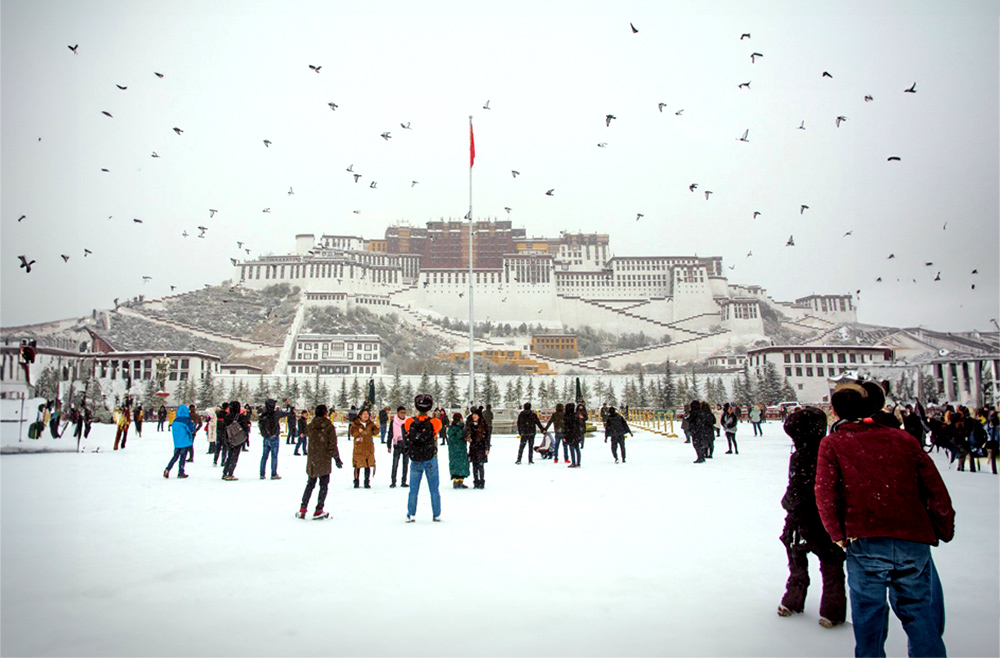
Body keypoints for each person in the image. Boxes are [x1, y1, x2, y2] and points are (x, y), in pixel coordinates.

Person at [815, 381, 955, 658]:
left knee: (869, 619)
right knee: (919, 614)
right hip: (911, 537)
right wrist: (943, 528)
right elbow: (936, 490)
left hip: (865, 537)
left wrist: (837, 534)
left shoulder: (834, 444)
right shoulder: (902, 439)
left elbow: (825, 494)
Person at [777, 407, 846, 628]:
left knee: (807, 561)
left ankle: (797, 601)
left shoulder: (808, 454)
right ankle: (831, 609)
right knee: (829, 564)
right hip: (821, 516)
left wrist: (788, 503)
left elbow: (798, 488)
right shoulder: (827, 450)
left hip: (808, 515)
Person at [297, 404, 343, 519]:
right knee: (323, 485)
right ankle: (319, 509)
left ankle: (303, 508)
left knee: (310, 484)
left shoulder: (311, 426)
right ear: (326, 414)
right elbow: (332, 445)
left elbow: (306, 432)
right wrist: (336, 458)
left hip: (313, 459)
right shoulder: (329, 427)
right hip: (324, 459)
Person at [403, 394, 443, 522]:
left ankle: (411, 513)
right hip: (430, 457)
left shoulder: (409, 422)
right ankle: (436, 514)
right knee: (434, 489)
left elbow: (406, 431)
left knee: (413, 489)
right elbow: (438, 429)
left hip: (416, 458)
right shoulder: (435, 422)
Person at [164, 404, 194, 479]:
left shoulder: (175, 420)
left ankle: (168, 469)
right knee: (183, 457)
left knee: (175, 456)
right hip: (185, 441)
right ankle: (181, 471)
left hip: (177, 442)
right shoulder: (186, 420)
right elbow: (191, 429)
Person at [350, 407, 378, 488]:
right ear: (360, 415)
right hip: (359, 447)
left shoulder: (371, 424)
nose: (366, 416)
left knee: (367, 465)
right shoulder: (355, 424)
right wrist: (357, 432)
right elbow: (352, 433)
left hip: (368, 447)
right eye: (364, 414)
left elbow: (375, 433)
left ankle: (367, 482)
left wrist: (377, 428)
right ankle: (356, 481)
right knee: (357, 465)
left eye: (367, 414)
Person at [222, 401, 250, 481]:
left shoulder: (227, 417)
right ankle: (230, 473)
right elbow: (245, 427)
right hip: (237, 438)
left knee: (229, 455)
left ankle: (225, 472)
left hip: (228, 438)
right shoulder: (240, 417)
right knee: (235, 456)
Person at [466, 407, 490, 489]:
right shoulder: (470, 424)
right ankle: (476, 481)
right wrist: (468, 436)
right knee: (474, 465)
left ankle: (482, 481)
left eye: (476, 414)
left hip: (481, 447)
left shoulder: (483, 424)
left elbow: (487, 437)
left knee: (480, 465)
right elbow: (466, 433)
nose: (474, 416)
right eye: (473, 414)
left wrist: (487, 448)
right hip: (473, 446)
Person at [258, 399, 282, 480]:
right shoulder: (275, 414)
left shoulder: (263, 414)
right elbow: (288, 413)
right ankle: (273, 473)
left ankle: (262, 473)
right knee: (274, 456)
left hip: (266, 437)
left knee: (264, 456)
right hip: (274, 437)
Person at [445, 412, 470, 488]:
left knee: (461, 465)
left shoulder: (461, 427)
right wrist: (461, 433)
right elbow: (453, 438)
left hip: (460, 449)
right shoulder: (454, 428)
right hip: (456, 450)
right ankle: (456, 481)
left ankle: (460, 481)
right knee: (458, 465)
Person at [386, 405, 409, 488]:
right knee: (395, 463)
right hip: (397, 444)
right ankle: (393, 481)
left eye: (404, 412)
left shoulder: (407, 421)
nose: (403, 414)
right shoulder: (393, 422)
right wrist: (389, 445)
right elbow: (390, 433)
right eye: (401, 412)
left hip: (406, 444)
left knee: (405, 464)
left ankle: (404, 481)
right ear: (397, 413)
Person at [563, 402, 583, 468]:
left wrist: (565, 435)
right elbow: (580, 424)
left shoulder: (567, 416)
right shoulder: (576, 415)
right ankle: (578, 462)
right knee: (577, 448)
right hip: (576, 433)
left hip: (570, 434)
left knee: (571, 448)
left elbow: (565, 427)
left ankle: (573, 462)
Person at [213, 402, 230, 467]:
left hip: (218, 431)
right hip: (224, 432)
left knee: (218, 446)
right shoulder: (227, 415)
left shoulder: (218, 414)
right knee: (225, 447)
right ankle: (223, 461)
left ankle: (215, 460)